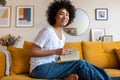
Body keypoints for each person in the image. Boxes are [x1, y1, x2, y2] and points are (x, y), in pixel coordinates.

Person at [29, 0, 111, 80]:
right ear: (54, 15)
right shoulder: (47, 31)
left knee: (84, 63)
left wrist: (63, 55)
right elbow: (32, 52)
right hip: (39, 68)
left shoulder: (63, 36)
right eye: (61, 14)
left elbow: (55, 57)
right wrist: (55, 51)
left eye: (67, 15)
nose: (65, 17)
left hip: (51, 66)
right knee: (80, 64)